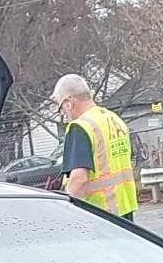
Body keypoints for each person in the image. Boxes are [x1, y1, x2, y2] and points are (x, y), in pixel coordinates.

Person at [51, 74, 138, 219]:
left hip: (99, 214)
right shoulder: (113, 119)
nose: (64, 114)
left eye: (61, 108)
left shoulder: (80, 127)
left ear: (69, 102)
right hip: (125, 211)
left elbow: (79, 180)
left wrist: (64, 214)